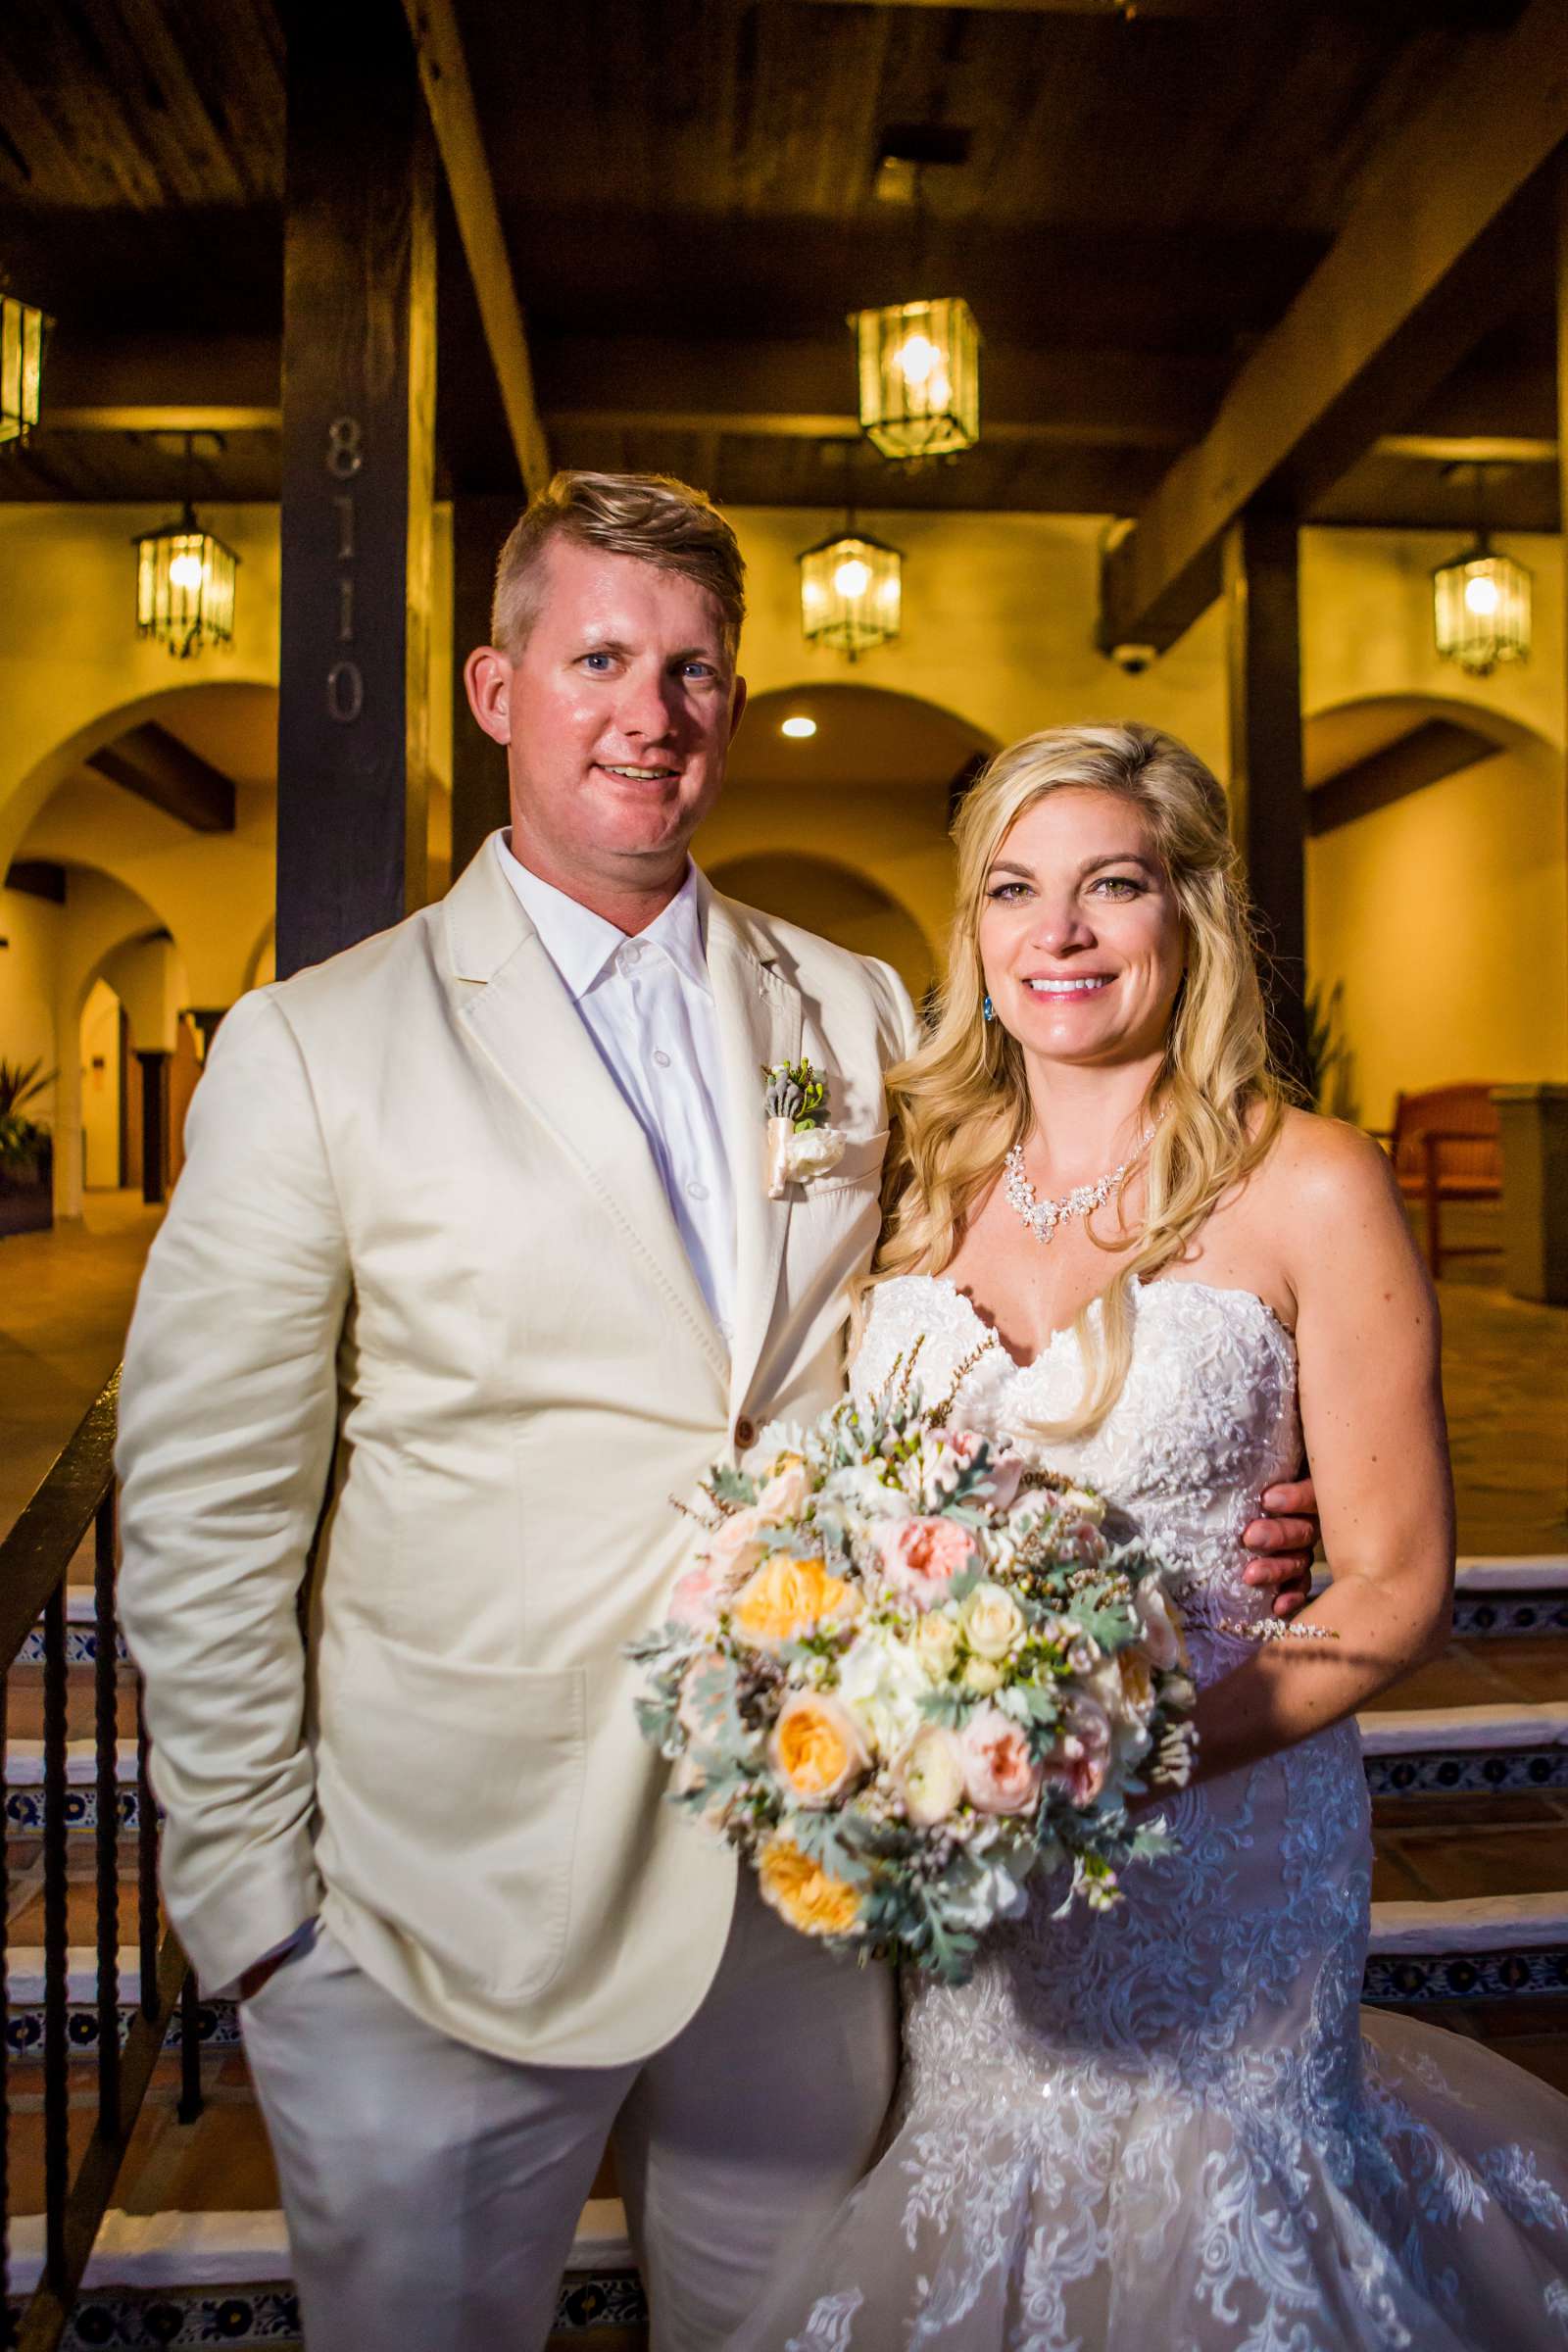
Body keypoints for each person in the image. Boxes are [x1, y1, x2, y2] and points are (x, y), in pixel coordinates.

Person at [115, 482, 1315, 2352]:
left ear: (732, 706)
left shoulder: (851, 1012)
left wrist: (1230, 1475)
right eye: (597, 659)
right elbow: (204, 1515)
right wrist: (261, 1918)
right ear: (497, 687)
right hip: (443, 1911)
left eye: (690, 671)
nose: (646, 710)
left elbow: (1001, 1295)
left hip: (806, 1894)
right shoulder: (320, 1044)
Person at [730, 720, 1568, 2352]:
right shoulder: (906, 1180)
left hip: (1228, 1846)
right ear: (971, 933)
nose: (1059, 934)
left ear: (1186, 912)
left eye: (1112, 886)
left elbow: (1397, 1585)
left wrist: (1131, 1757)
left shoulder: (1309, 1183)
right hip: (982, 1876)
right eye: (1015, 892)